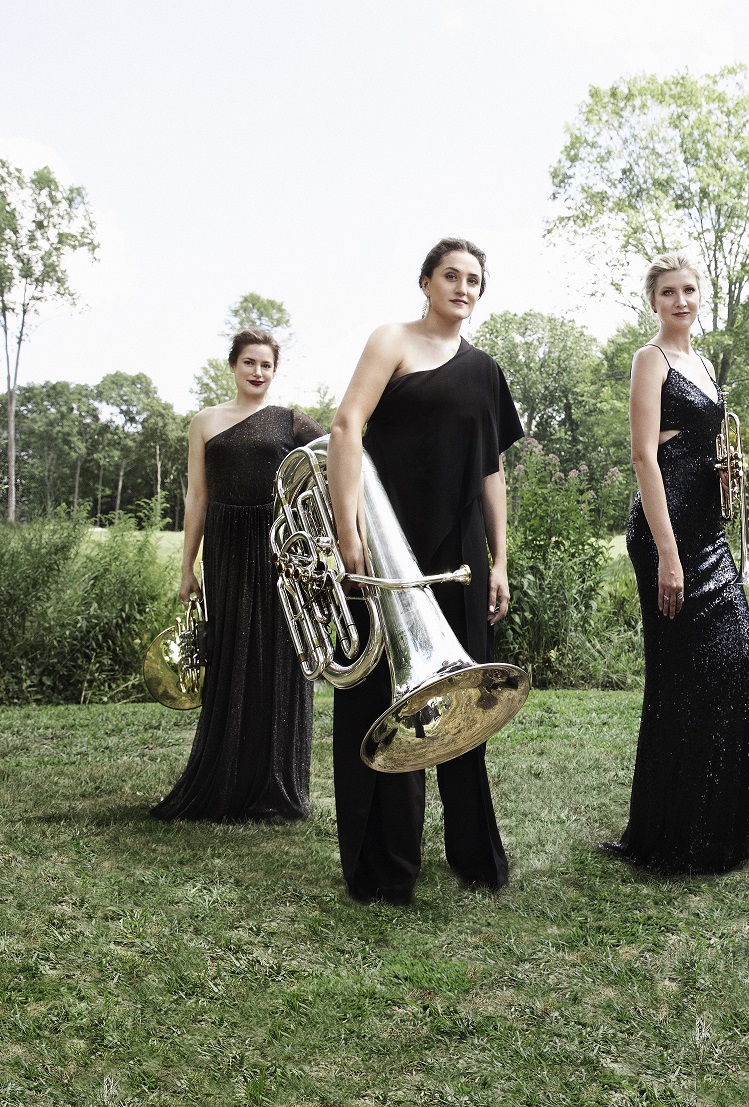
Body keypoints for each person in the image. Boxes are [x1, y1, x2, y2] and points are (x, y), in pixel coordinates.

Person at [326, 237, 523, 905]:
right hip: (386, 541)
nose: (463, 287)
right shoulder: (393, 340)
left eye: (474, 279)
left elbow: (493, 471)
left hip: (461, 553)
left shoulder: (487, 370)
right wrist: (348, 526)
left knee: (466, 702)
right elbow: (347, 424)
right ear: (426, 281)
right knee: (380, 699)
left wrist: (500, 559)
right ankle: (385, 867)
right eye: (451, 275)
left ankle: (474, 854)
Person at [599, 248, 749, 875]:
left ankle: (724, 821)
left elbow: (702, 449)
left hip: (708, 525)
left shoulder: (704, 364)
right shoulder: (647, 361)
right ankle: (674, 833)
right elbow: (645, 459)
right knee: (683, 676)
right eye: (668, 292)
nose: (681, 301)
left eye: (689, 290)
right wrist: (669, 557)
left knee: (736, 661)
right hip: (666, 532)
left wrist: (726, 473)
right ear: (653, 301)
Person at [154, 329, 322, 823]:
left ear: (274, 370)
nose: (258, 372)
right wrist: (187, 565)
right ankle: (224, 781)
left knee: (276, 654)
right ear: (233, 365)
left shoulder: (291, 421)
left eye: (266, 365)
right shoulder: (204, 422)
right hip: (225, 546)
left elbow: (339, 457)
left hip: (277, 547)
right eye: (249, 362)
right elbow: (197, 496)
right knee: (230, 653)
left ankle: (276, 786)